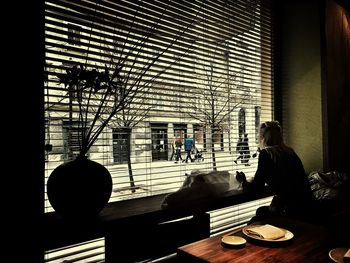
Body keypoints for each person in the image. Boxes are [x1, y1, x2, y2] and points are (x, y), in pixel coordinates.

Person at [235, 121, 318, 223]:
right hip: (308, 205)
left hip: (291, 211)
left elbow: (257, 188)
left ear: (263, 137)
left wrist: (243, 181)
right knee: (261, 211)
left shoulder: (266, 154)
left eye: (259, 135)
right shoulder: (290, 152)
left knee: (253, 222)